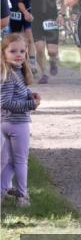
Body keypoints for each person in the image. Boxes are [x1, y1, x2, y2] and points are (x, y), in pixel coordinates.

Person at [1, 33, 39, 208]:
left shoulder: (16, 73)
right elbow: (6, 102)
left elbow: (16, 96)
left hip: (9, 123)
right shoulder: (9, 75)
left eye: (22, 51)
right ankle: (23, 196)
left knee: (10, 162)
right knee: (21, 161)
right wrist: (31, 104)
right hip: (17, 123)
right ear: (3, 54)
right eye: (13, 51)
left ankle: (1, 192)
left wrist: (29, 96)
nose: (18, 55)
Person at [24, 0, 64, 84]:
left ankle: (52, 61)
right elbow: (22, 1)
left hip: (51, 20)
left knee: (52, 51)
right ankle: (44, 74)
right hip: (36, 21)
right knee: (40, 49)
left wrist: (61, 14)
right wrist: (26, 13)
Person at [4, 0, 36, 74]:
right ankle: (15, 66)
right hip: (14, 17)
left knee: (29, 38)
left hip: (27, 15)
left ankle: (32, 63)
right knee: (14, 42)